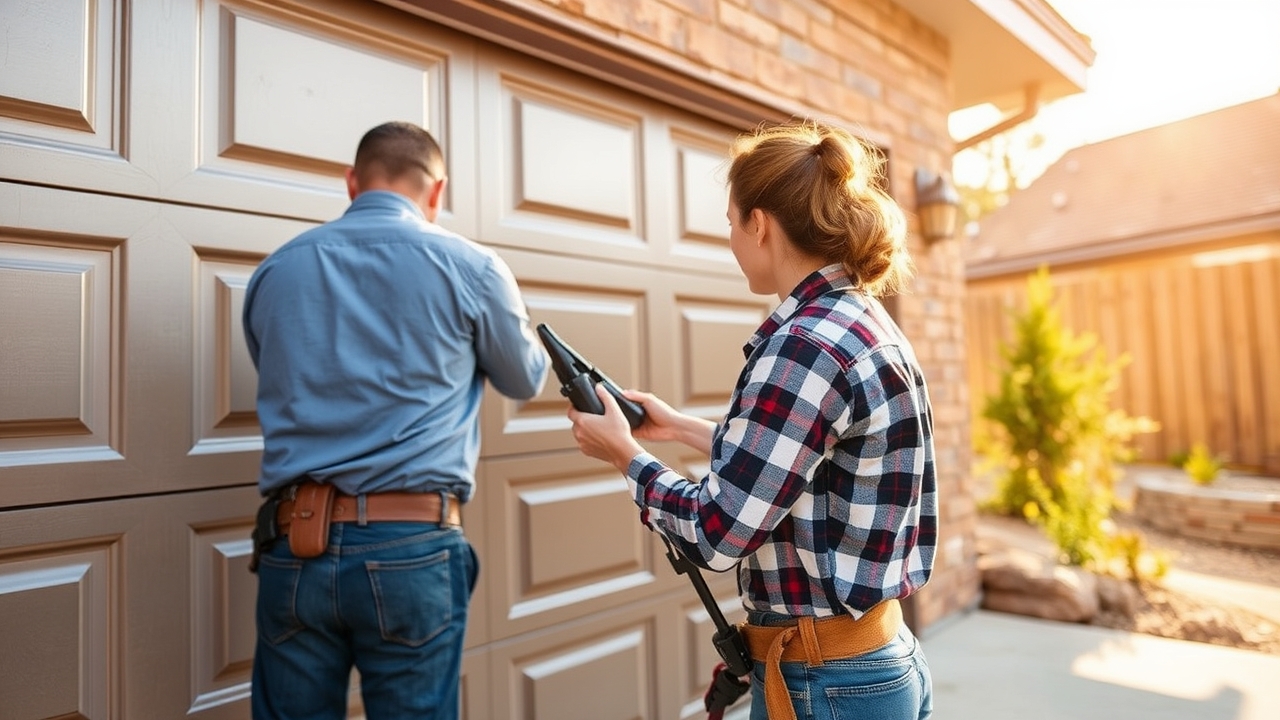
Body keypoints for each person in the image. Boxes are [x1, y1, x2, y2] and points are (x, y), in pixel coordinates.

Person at [566, 120, 937, 720]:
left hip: (826, 684)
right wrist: (683, 428)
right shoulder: (862, 322)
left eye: (731, 225)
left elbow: (719, 533)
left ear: (758, 223)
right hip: (878, 662)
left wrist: (626, 457)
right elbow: (810, 470)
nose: (731, 242)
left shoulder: (806, 345)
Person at [242, 121, 548, 720]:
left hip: (293, 543)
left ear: (352, 183)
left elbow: (272, 369)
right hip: (410, 549)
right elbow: (525, 378)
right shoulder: (473, 267)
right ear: (437, 191)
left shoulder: (277, 270)